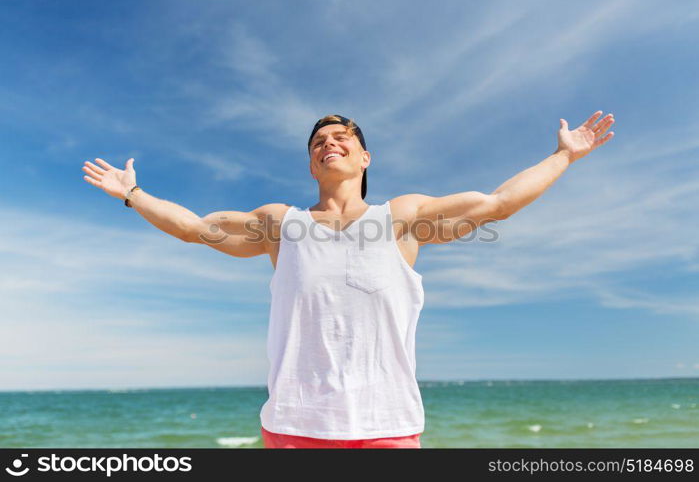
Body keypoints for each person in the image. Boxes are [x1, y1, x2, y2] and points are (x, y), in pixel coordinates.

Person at [82, 111, 615, 448]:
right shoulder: (279, 223)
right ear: (312, 164)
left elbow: (496, 204)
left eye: (343, 137)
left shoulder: (403, 218)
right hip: (294, 426)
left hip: (388, 426)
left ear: (365, 157)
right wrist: (134, 195)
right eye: (319, 140)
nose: (328, 142)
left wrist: (564, 156)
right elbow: (197, 230)